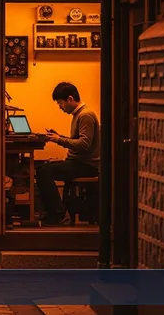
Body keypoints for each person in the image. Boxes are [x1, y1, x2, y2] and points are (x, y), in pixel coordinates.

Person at [37, 82, 100, 225]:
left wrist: (59, 140)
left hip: (86, 165)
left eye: (61, 103)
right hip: (80, 162)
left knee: (44, 172)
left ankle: (59, 214)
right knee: (42, 168)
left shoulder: (85, 115)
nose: (60, 107)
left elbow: (84, 144)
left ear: (70, 99)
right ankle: (55, 212)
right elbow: (78, 141)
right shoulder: (79, 114)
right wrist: (60, 136)